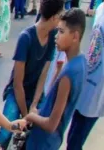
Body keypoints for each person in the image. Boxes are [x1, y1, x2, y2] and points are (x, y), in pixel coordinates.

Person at [0, 0, 64, 148]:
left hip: (35, 94)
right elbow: (18, 83)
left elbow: (43, 74)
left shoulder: (53, 36)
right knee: (6, 132)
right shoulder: (26, 37)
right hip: (17, 92)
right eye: (61, 15)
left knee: (39, 135)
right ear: (54, 17)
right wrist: (27, 114)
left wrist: (34, 103)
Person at [25, 8, 87, 149]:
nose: (56, 36)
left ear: (75, 37)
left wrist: (31, 116)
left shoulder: (68, 73)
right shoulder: (81, 62)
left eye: (61, 31)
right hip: (53, 141)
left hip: (41, 143)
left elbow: (51, 124)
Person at [67, 0, 104, 149]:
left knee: (75, 141)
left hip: (99, 88)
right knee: (72, 138)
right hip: (87, 80)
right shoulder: (100, 8)